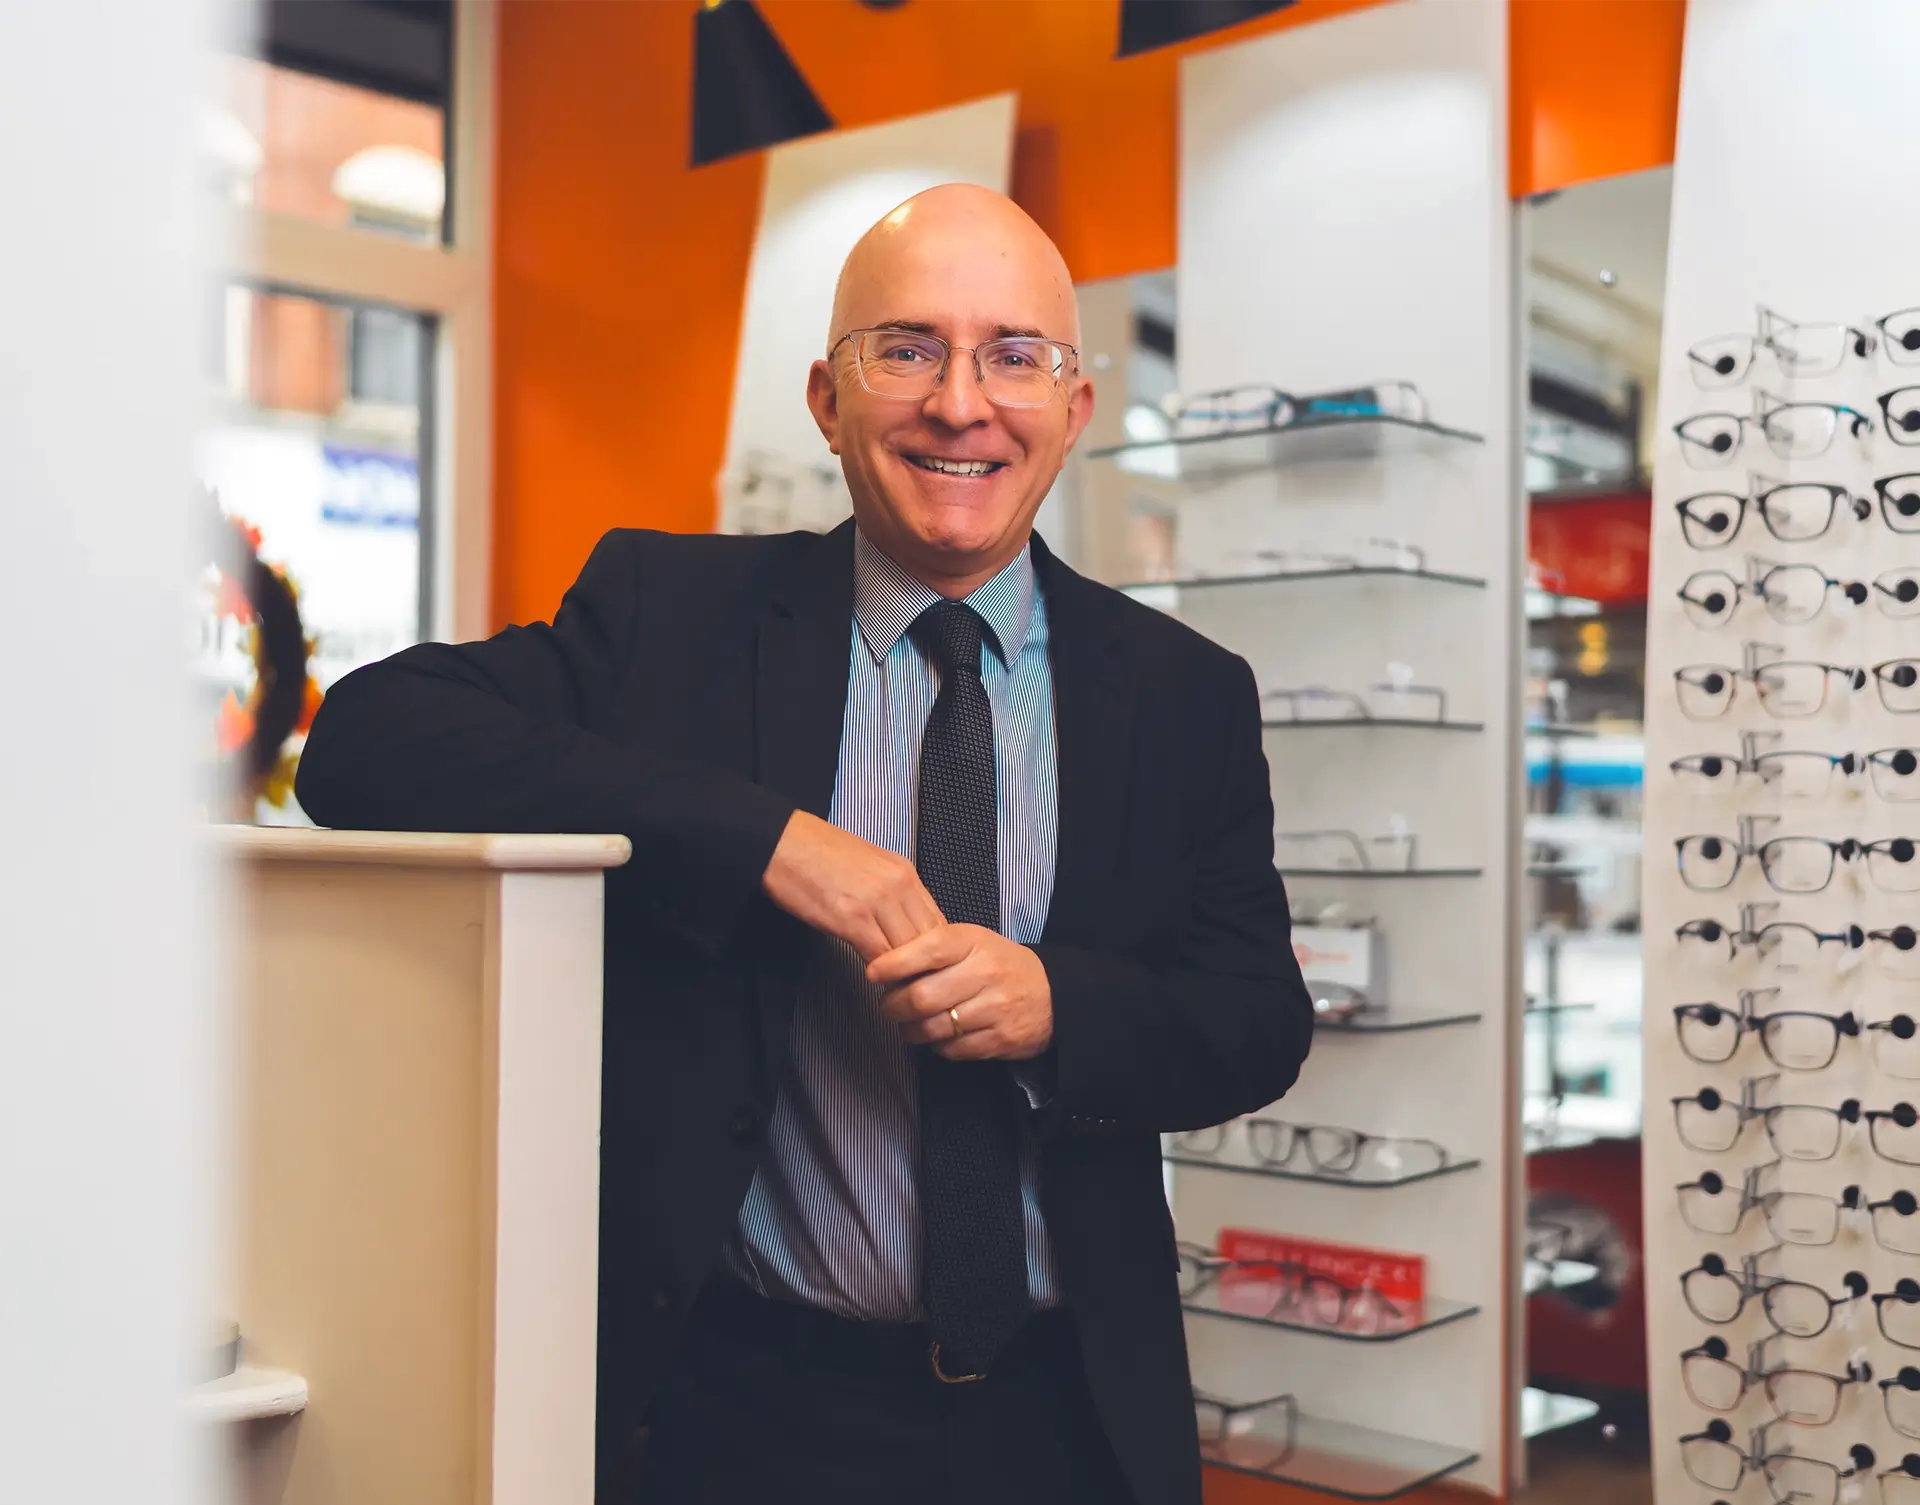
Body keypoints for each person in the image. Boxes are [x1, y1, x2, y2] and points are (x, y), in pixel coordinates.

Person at [295, 184, 1313, 1505]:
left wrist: (1061, 1007)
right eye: (907, 349)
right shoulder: (675, 617)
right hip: (744, 1416)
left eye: (1015, 355)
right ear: (828, 401)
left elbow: (1255, 1020)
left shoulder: (1186, 692)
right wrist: (771, 843)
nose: (962, 402)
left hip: (1072, 1419)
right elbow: (366, 741)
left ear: (1075, 408)